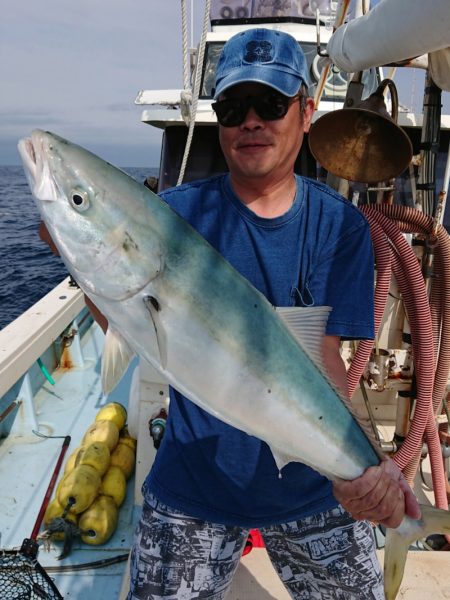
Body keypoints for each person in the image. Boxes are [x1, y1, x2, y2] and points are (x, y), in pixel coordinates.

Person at [123, 28, 420, 600]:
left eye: (272, 104)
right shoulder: (174, 218)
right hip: (195, 482)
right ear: (220, 119)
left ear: (306, 113)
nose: (252, 121)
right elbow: (129, 309)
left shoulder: (341, 227)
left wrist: (371, 468)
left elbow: (326, 360)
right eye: (235, 107)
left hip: (310, 483)